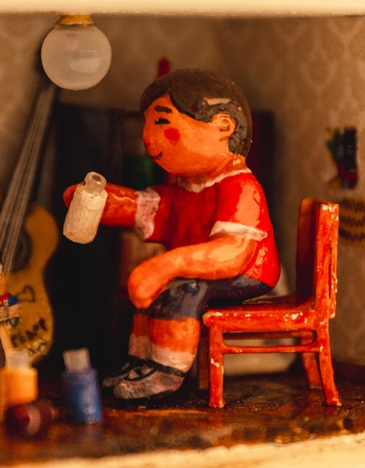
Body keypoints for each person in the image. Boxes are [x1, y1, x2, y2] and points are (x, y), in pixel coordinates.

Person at [64, 68, 280, 399]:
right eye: (148, 125)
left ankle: (166, 373)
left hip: (246, 274)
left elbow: (233, 252)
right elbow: (144, 207)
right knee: (160, 287)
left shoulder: (240, 187)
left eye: (162, 122)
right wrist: (102, 201)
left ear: (223, 127)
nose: (148, 138)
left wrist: (165, 266)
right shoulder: (185, 189)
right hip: (198, 268)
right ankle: (141, 361)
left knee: (183, 288)